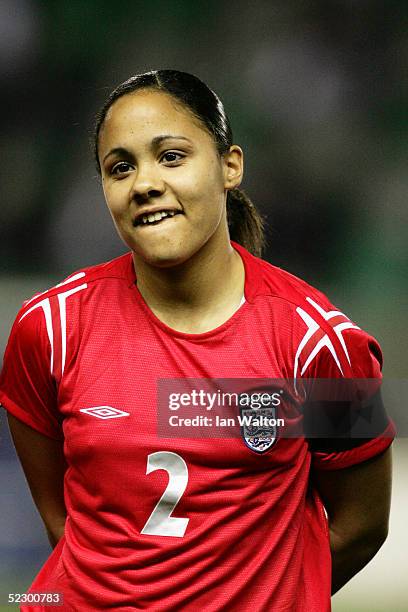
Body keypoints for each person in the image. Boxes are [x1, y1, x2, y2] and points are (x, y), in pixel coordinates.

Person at [0, 70, 394, 612]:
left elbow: (363, 524)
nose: (144, 183)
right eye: (120, 168)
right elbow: (60, 519)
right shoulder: (48, 328)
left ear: (230, 166)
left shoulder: (321, 344)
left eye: (171, 156)